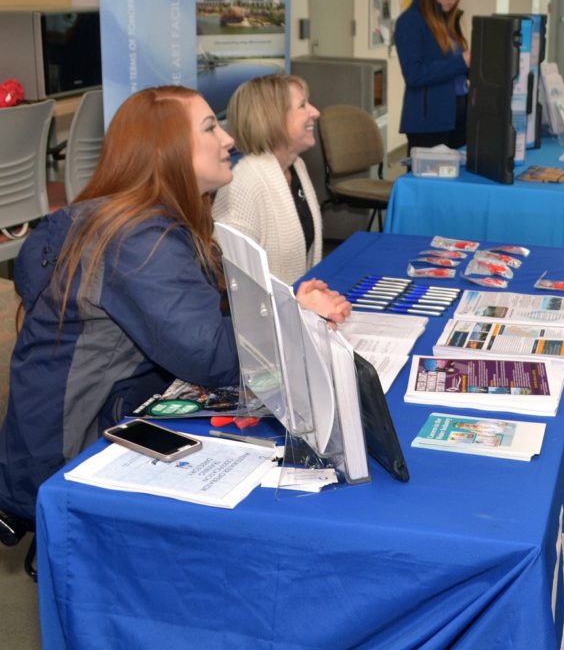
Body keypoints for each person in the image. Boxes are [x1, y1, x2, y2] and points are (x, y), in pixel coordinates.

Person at [0, 86, 350, 543]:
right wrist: (298, 317)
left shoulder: (134, 221)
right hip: (74, 453)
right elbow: (213, 355)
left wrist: (286, 303)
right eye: (210, 128)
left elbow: (203, 312)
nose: (228, 140)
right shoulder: (138, 239)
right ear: (167, 152)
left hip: (74, 429)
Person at [212, 74, 323, 284]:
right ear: (272, 118)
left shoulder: (297, 166)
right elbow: (236, 279)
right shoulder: (243, 183)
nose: (315, 112)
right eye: (302, 105)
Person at [394, 0, 470, 150]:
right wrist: (461, 61)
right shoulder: (410, 22)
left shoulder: (449, 20)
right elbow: (414, 75)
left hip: (458, 116)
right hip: (429, 123)